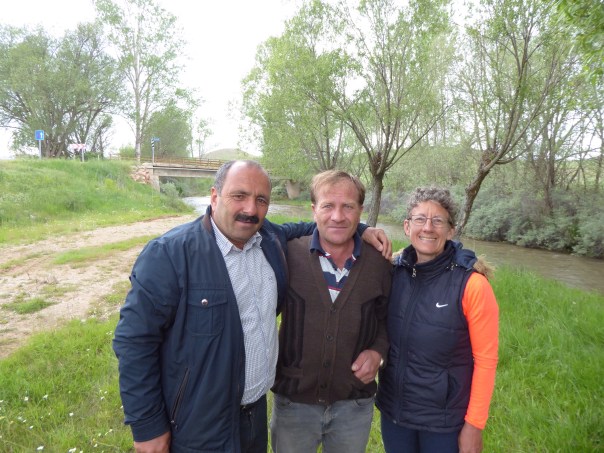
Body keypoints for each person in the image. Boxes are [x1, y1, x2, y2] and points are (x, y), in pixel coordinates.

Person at [113, 160, 390, 453]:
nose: (250, 209)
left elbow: (323, 224)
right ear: (215, 196)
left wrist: (360, 229)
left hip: (254, 415)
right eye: (239, 196)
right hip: (199, 422)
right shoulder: (171, 254)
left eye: (261, 200)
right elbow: (134, 342)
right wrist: (147, 426)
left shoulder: (269, 240)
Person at [270, 170, 392, 453]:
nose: (338, 216)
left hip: (354, 405)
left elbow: (387, 319)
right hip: (293, 405)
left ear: (360, 211)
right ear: (313, 210)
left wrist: (378, 352)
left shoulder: (380, 262)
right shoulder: (287, 254)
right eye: (328, 206)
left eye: (348, 206)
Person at [376, 186, 499, 453]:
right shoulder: (392, 271)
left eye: (438, 221)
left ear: (451, 230)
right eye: (420, 219)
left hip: (444, 422)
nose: (428, 228)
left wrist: (474, 425)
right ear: (407, 226)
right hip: (395, 413)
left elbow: (486, 361)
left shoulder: (472, 284)